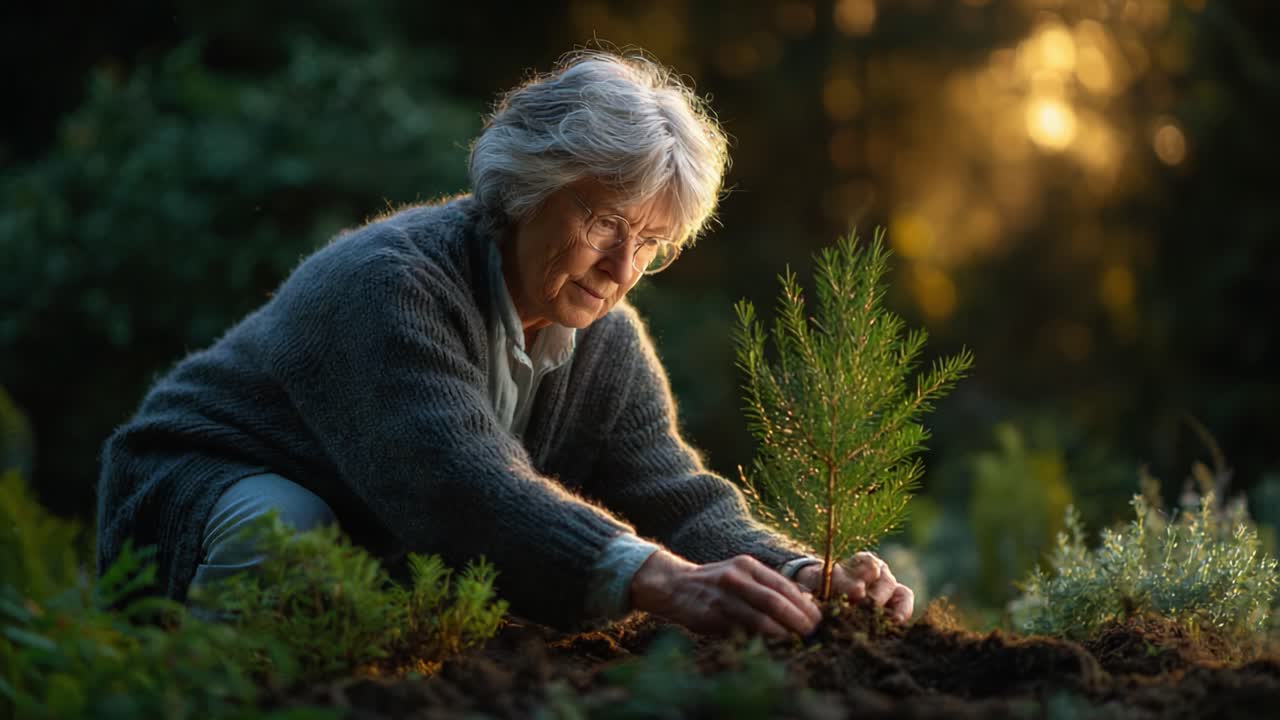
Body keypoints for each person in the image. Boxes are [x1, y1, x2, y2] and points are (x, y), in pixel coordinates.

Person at [96, 49, 914, 636]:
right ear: (530, 186)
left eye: (653, 244)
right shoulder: (389, 283)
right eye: (604, 221)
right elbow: (458, 483)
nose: (623, 267)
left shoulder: (605, 340)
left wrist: (802, 573)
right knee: (288, 526)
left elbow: (670, 492)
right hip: (197, 491)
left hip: (366, 532)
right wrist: (656, 576)